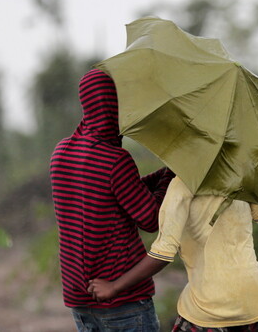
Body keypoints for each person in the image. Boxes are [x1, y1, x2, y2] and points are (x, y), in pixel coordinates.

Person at [88, 168, 258, 332]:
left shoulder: (182, 186)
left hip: (209, 312)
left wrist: (114, 287)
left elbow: (163, 253)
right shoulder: (240, 177)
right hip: (257, 305)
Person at [50, 68, 175, 332]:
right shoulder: (115, 161)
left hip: (80, 301)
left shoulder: (60, 154)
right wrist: (172, 176)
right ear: (113, 106)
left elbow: (112, 198)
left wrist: (164, 173)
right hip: (123, 301)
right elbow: (151, 219)